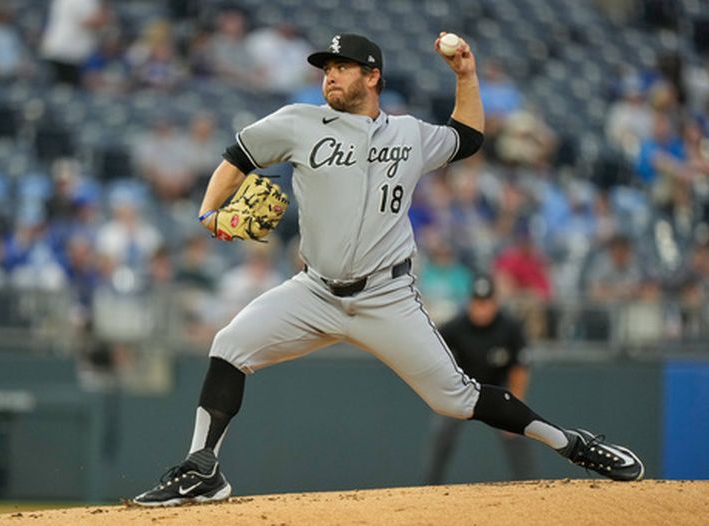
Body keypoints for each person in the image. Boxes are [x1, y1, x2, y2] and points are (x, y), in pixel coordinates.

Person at [132, 32, 644, 507]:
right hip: (314, 291)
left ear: (372, 76)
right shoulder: (297, 122)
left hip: (386, 297)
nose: (329, 75)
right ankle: (203, 468)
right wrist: (208, 212)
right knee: (229, 345)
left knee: (456, 399)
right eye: (326, 67)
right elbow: (237, 156)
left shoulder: (409, 133)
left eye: (342, 66)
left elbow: (467, 137)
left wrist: (465, 76)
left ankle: (572, 443)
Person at [424, 275, 537, 484]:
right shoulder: (455, 326)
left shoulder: (509, 327)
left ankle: (528, 486)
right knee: (442, 432)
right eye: (477, 303)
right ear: (469, 302)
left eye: (486, 303)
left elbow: (520, 367)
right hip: (463, 387)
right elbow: (433, 356)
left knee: (519, 427)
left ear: (495, 302)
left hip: (498, 387)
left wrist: (517, 403)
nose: (481, 309)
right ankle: (430, 488)